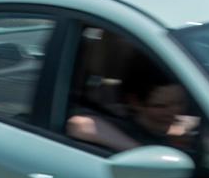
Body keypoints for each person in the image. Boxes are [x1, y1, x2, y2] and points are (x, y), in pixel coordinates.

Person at [67, 55, 197, 152]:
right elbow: (79, 125)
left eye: (179, 102)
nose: (175, 112)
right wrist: (142, 153)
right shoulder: (123, 127)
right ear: (135, 102)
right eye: (161, 106)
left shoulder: (184, 121)